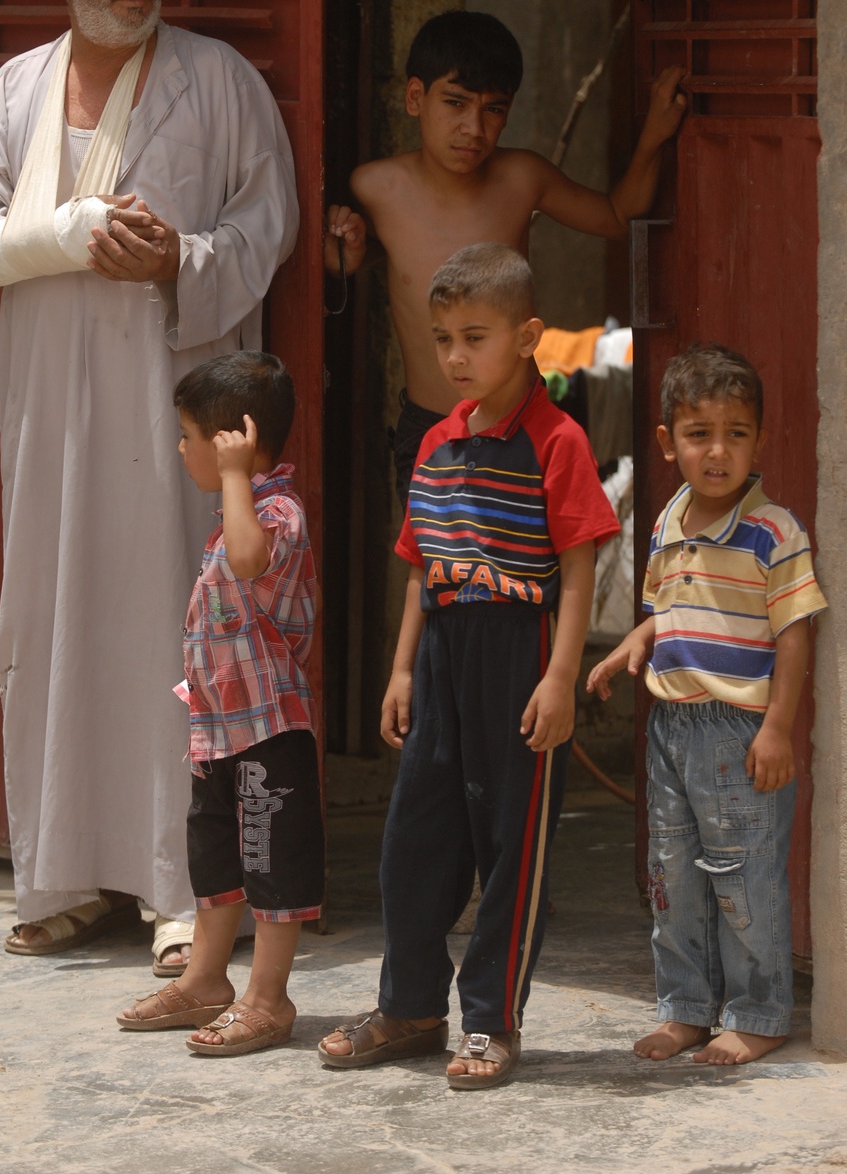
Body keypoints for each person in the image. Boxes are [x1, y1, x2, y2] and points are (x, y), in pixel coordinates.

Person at [0, 0, 299, 971]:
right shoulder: (15, 90)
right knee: (46, 618)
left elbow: (266, 218)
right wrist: (52, 240)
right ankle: (60, 873)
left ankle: (187, 884)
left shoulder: (218, 80)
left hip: (170, 406)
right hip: (47, 408)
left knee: (172, 622)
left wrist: (172, 262)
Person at [318, 244, 620, 1089]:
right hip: (446, 650)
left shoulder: (557, 441)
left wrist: (560, 677)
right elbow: (421, 564)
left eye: (474, 337)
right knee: (415, 839)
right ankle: (410, 1006)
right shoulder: (437, 443)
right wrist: (402, 668)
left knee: (511, 848)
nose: (454, 357)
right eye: (443, 337)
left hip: (519, 652)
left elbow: (579, 565)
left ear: (527, 337)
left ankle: (491, 1022)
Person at [587, 343, 827, 1066]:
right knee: (673, 874)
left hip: (737, 730)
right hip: (669, 726)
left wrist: (778, 726)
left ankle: (758, 1011)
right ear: (668, 443)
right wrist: (635, 640)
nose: (718, 452)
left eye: (736, 434)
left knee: (744, 876)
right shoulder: (666, 522)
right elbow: (669, 605)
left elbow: (793, 634)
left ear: (759, 437)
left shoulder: (773, 533)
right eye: (699, 435)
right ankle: (685, 1007)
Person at [337, 9, 686, 504]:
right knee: (439, 577)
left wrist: (653, 135)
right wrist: (345, 247)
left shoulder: (521, 179)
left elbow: (614, 215)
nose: (473, 128)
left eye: (493, 110)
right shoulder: (375, 189)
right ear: (416, 97)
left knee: (531, 575)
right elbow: (336, 263)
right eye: (455, 103)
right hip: (432, 431)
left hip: (522, 425)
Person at [116, 352, 323, 1054]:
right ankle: (206, 979)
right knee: (216, 859)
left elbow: (246, 560)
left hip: (269, 732)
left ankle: (269, 996)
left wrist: (235, 476)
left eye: (189, 436)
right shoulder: (236, 512)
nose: (181, 450)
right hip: (218, 731)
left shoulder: (277, 513)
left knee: (271, 863)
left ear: (232, 438)